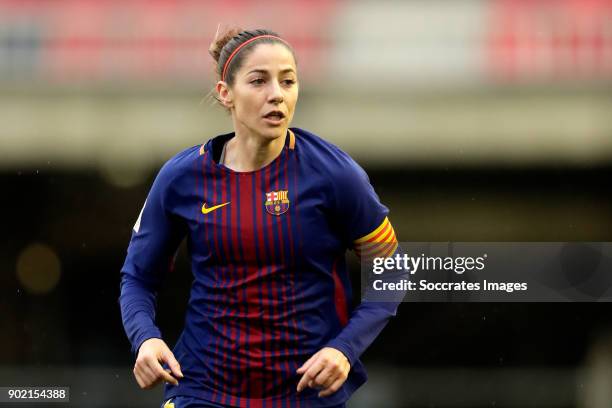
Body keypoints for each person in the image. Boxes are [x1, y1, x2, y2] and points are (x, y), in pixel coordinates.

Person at [119, 27, 402, 408]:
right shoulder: (180, 178)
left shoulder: (335, 174)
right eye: (259, 81)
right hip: (202, 387)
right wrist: (146, 338)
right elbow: (138, 276)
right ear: (226, 94)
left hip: (304, 393)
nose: (277, 95)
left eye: (288, 81)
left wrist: (344, 349)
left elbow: (392, 269)